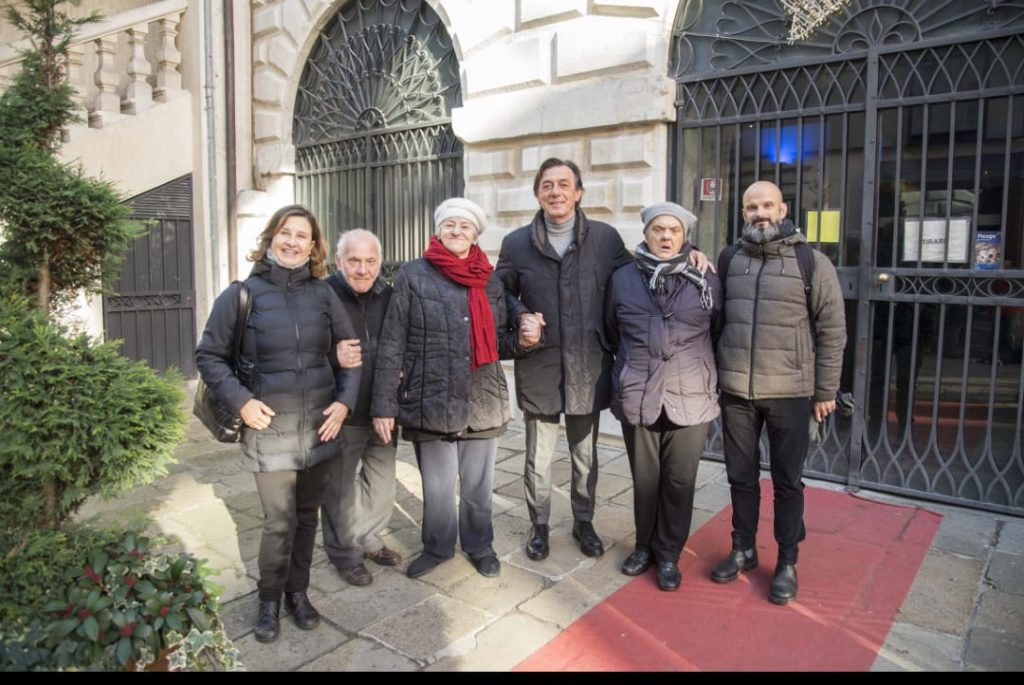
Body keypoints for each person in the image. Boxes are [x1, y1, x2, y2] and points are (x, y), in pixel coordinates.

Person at [495, 158, 709, 561]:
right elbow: (499, 290)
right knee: (538, 458)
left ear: (578, 193)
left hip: (588, 366)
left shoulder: (605, 238)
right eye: (547, 185)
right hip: (540, 365)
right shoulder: (516, 243)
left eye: (564, 184)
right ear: (537, 193)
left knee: (584, 456)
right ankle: (538, 526)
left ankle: (583, 521)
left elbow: (645, 268)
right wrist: (520, 314)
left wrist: (690, 252)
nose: (556, 192)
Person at [195, 205, 361, 642]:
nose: (292, 242)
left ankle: (298, 593)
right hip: (269, 429)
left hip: (321, 426)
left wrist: (344, 403)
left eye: (302, 236)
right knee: (279, 521)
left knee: (306, 518)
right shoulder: (242, 295)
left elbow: (350, 353)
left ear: (313, 246)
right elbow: (209, 356)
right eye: (285, 233)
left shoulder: (324, 295)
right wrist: (242, 402)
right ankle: (268, 599)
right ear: (271, 238)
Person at [371, 198, 542, 579]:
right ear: (438, 231)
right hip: (429, 398)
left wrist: (526, 341)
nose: (456, 231)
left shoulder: (490, 280)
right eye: (449, 225)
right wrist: (383, 405)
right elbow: (392, 342)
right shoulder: (413, 275)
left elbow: (498, 343)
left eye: (465, 226)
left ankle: (480, 546)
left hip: (481, 400)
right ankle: (437, 548)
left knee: (478, 488)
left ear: (475, 234)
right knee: (437, 487)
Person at [712, 181, 846, 605]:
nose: (760, 213)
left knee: (788, 481)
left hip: (790, 390)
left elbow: (832, 330)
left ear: (783, 209)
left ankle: (787, 560)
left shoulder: (811, 262)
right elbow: (715, 318)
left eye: (767, 205)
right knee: (740, 477)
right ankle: (743, 549)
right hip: (737, 389)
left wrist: (825, 389)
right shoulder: (730, 259)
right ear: (743, 213)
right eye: (752, 207)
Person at [605, 202, 722, 591]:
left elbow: (717, 329)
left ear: (685, 236)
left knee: (679, 481)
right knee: (645, 480)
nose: (666, 236)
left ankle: (669, 554)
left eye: (674, 230)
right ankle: (644, 547)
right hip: (639, 392)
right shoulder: (622, 278)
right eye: (658, 229)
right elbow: (611, 330)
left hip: (692, 394)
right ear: (646, 234)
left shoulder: (705, 276)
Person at [320, 229, 403, 587]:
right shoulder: (322, 295)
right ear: (338, 261)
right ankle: (344, 554)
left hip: (383, 406)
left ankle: (368, 538)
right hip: (342, 409)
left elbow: (403, 341)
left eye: (370, 261)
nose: (363, 269)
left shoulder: (390, 295)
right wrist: (331, 354)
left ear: (380, 262)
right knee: (339, 489)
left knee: (381, 485)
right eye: (354, 261)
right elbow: (302, 348)